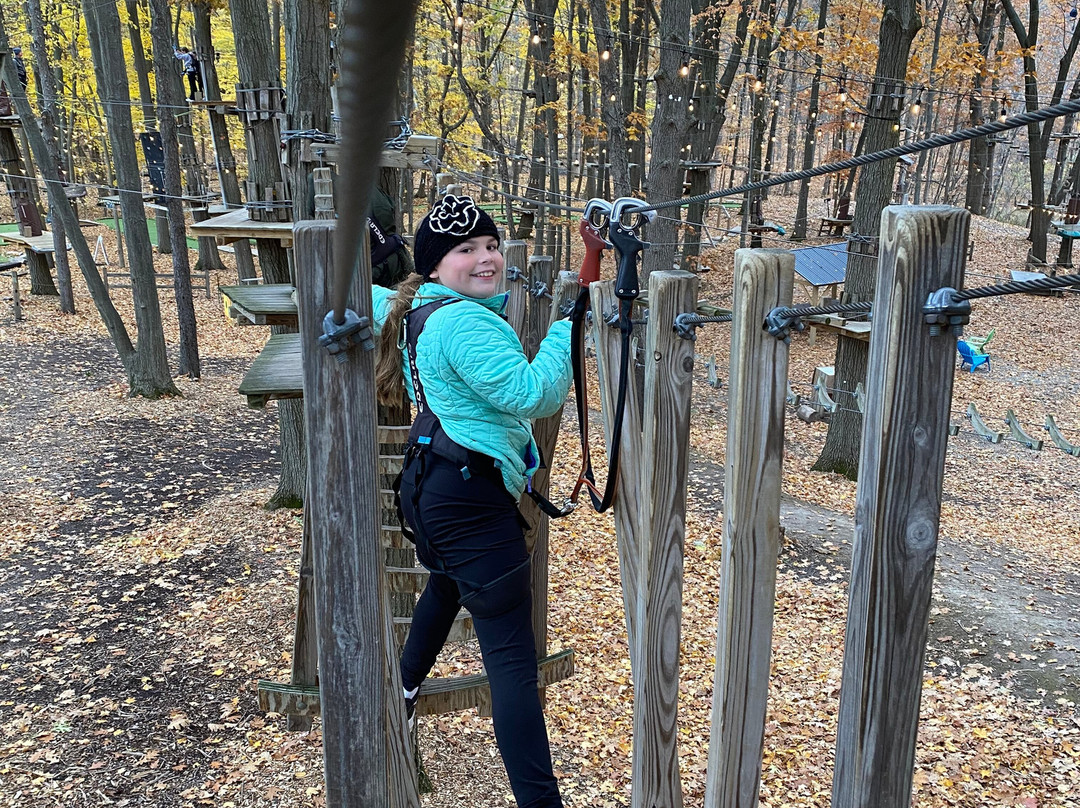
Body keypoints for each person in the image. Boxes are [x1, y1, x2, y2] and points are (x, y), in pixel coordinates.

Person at [372, 195, 571, 808]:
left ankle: (403, 688)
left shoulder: (415, 306)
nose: (486, 258)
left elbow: (374, 299)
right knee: (512, 665)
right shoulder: (463, 322)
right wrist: (568, 328)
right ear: (435, 266)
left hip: (433, 491)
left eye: (490, 245)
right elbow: (532, 393)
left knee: (445, 584)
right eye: (467, 250)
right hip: (472, 504)